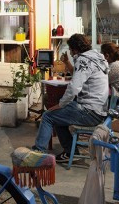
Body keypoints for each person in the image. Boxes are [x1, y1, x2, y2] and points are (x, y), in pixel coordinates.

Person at [33, 34, 109, 162]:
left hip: (89, 111)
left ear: (74, 49)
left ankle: (37, 155)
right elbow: (80, 76)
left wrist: (61, 104)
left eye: (70, 49)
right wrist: (67, 62)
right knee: (58, 116)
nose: (70, 52)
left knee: (48, 115)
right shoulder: (97, 58)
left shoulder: (84, 60)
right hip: (99, 109)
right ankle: (70, 153)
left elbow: (74, 88)